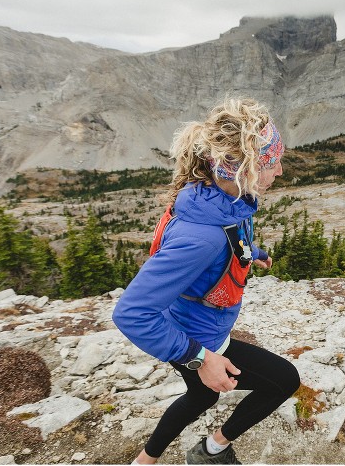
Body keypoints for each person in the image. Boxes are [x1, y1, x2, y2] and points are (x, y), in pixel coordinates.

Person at [112, 97, 300, 465]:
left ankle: (144, 461)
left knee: (201, 396)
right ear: (245, 168)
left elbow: (232, 237)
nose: (278, 171)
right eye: (272, 162)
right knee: (283, 380)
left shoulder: (221, 196)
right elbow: (131, 313)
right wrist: (201, 358)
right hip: (195, 337)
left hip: (194, 326)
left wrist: (255, 254)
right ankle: (213, 450)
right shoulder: (201, 236)